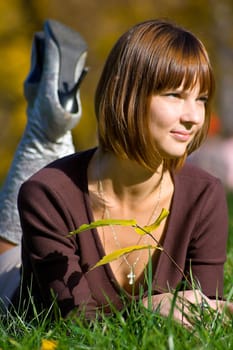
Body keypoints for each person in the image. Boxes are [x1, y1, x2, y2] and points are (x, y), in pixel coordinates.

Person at [16, 19, 232, 326]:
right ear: (125, 91)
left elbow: (204, 314)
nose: (194, 117)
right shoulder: (46, 195)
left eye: (201, 99)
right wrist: (147, 310)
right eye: (174, 95)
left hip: (78, 179)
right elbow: (77, 324)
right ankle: (47, 120)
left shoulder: (204, 195)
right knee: (8, 245)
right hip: (8, 282)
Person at [0, 19, 87, 309]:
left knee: (7, 250)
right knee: (6, 251)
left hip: (38, 284)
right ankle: (46, 109)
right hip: (58, 277)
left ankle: (45, 109)